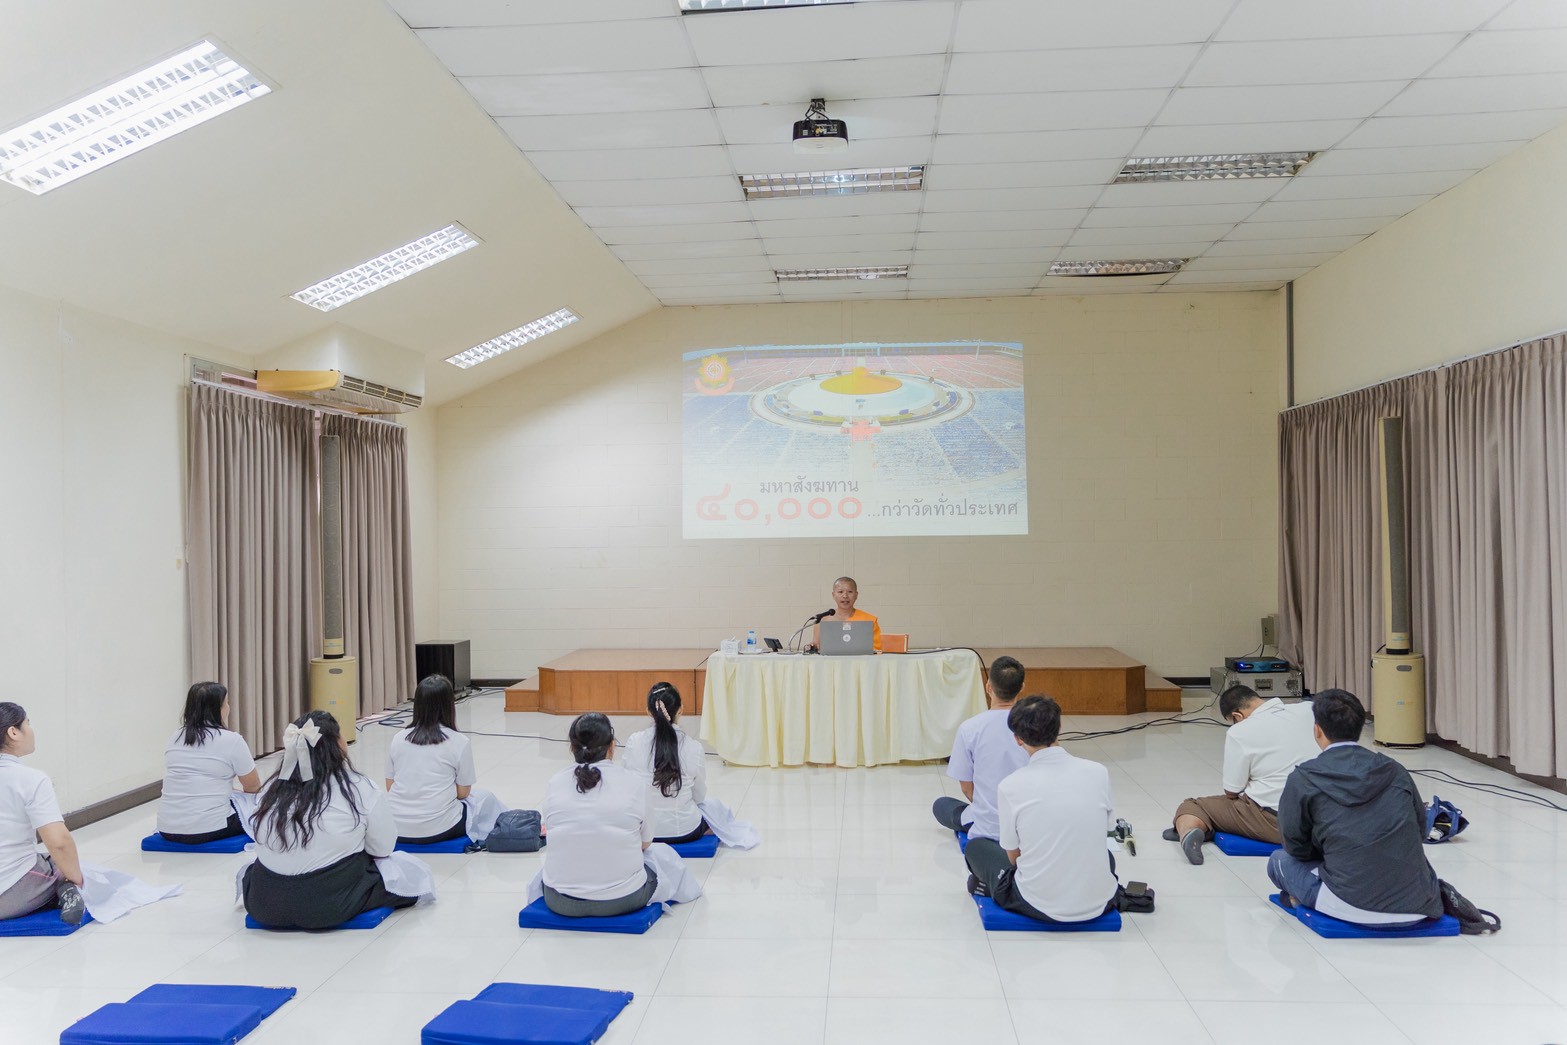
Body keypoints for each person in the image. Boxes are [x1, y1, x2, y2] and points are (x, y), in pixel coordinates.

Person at [1267, 689, 1444, 927]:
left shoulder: (1304, 777)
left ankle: (1303, 899)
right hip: (1418, 904)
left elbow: (1295, 847)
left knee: (1279, 861)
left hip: (1351, 905)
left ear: (1317, 730)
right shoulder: (1395, 769)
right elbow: (1420, 829)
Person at [242, 710, 418, 930]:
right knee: (407, 874)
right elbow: (383, 847)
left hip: (264, 903)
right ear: (337, 744)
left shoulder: (270, 789)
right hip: (327, 905)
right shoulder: (359, 788)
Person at [963, 696, 1122, 924]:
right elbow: (1104, 834)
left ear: (1017, 739)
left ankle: (990, 885)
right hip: (1100, 901)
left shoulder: (1010, 785)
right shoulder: (1098, 771)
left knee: (977, 847)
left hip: (1037, 903)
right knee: (1103, 856)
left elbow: (1013, 857)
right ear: (1059, 728)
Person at [1165, 684, 1319, 864]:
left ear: (1237, 716)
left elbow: (1232, 791)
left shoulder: (1239, 731)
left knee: (1193, 806)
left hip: (1279, 822)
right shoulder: (1308, 709)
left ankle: (1191, 831)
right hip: (1325, 816)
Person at [540, 713, 658, 917]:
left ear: (571, 747)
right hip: (623, 898)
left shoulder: (555, 782)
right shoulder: (634, 783)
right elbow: (645, 842)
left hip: (560, 900)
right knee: (662, 864)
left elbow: (553, 834)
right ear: (612, 747)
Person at [0, 703, 85, 924]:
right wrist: (75, 878)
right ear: (13, 732)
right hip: (7, 894)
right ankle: (66, 891)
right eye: (27, 723)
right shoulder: (31, 779)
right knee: (63, 864)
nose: (31, 729)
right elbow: (59, 842)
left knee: (44, 858)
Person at [931, 656, 1028, 841]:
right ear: (1021, 687)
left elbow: (967, 789)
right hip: (1027, 821)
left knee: (941, 805)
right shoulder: (1033, 727)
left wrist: (989, 807)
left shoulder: (970, 728)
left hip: (987, 824)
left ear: (988, 687)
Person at [157, 682, 261, 844]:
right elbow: (253, 786)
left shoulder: (175, 737)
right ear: (218, 709)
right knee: (265, 807)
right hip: (210, 829)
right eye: (227, 703)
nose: (229, 706)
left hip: (167, 828)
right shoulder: (231, 740)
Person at [385, 674, 476, 845]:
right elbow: (463, 793)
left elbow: (390, 786)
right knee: (484, 801)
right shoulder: (459, 742)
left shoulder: (398, 738)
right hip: (440, 829)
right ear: (449, 705)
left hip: (395, 827)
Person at [621, 682, 709, 844]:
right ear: (681, 709)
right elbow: (699, 796)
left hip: (642, 832)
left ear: (648, 712)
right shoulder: (693, 747)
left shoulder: (635, 742)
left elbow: (627, 787)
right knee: (714, 810)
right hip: (684, 830)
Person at [809, 575, 882, 653]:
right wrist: (811, 647)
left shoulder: (869, 620)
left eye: (850, 592)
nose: (845, 596)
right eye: (840, 592)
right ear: (833, 595)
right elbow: (816, 647)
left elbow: (877, 649)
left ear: (856, 595)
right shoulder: (822, 620)